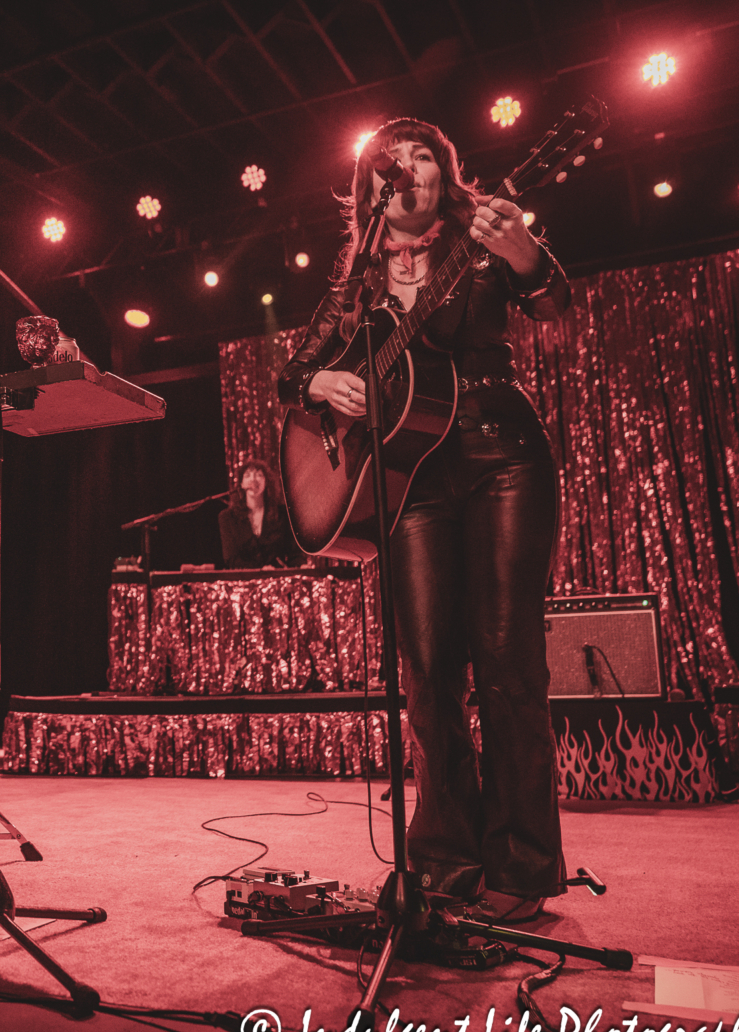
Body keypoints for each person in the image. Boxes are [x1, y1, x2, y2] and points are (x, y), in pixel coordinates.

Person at [276, 118, 572, 923]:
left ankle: (523, 863)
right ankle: (445, 856)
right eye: (388, 161)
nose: (403, 169)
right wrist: (322, 389)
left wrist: (525, 258)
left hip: (501, 455)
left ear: (446, 174)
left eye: (420, 157)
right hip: (409, 480)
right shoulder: (356, 283)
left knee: (508, 661)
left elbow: (557, 311)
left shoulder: (481, 246)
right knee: (428, 670)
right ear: (368, 188)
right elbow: (293, 372)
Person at [218, 458, 304, 569]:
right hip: (243, 581)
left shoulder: (283, 514)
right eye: (248, 475)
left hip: (277, 581)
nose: (253, 479)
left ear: (266, 482)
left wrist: (301, 566)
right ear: (241, 484)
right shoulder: (227, 517)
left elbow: (295, 554)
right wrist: (260, 570)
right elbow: (231, 559)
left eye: (259, 475)